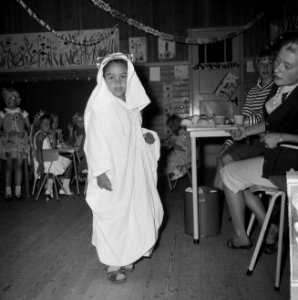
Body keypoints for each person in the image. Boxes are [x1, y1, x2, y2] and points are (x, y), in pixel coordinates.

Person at [84, 53, 164, 283]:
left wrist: (147, 137)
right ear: (103, 79)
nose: (118, 83)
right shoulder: (99, 108)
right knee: (113, 214)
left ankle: (126, 253)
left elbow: (131, 136)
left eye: (122, 77)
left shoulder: (131, 107)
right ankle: (112, 263)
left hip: (132, 170)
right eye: (111, 77)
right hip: (111, 171)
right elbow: (95, 141)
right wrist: (100, 172)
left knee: (133, 211)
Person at [220, 32, 298, 252]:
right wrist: (244, 132)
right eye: (277, 62)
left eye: (287, 66)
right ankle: (267, 228)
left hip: (290, 167)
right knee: (229, 169)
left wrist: (283, 137)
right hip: (275, 157)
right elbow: (269, 122)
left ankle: (241, 236)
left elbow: (278, 131)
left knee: (229, 173)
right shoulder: (278, 87)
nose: (277, 69)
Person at [213, 49, 275, 190]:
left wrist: (240, 124)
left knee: (226, 159)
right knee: (220, 156)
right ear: (256, 66)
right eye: (261, 63)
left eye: (269, 63)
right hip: (247, 137)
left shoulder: (275, 89)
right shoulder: (253, 91)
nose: (265, 67)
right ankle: (213, 198)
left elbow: (262, 117)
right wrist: (228, 143)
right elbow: (243, 119)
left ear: (275, 65)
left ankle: (220, 197)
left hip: (262, 139)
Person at [0, 87, 31, 200]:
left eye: (11, 97)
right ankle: (8, 192)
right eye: (6, 98)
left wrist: (24, 133)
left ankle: (17, 192)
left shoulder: (23, 113)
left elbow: (29, 128)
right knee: (8, 167)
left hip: (20, 143)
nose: (9, 100)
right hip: (7, 143)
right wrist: (6, 134)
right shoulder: (2, 113)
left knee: (19, 166)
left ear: (17, 99)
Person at [33, 114, 73, 199]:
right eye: (45, 124)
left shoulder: (44, 135)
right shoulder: (40, 135)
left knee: (55, 164)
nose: (48, 126)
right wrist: (41, 165)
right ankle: (65, 187)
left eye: (49, 124)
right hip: (43, 162)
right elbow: (39, 151)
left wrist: (54, 136)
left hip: (48, 162)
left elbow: (53, 148)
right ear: (40, 124)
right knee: (69, 162)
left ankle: (49, 188)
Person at [165, 114, 191, 181]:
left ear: (174, 126)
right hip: (179, 154)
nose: (170, 129)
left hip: (184, 156)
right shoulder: (181, 133)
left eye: (170, 127)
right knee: (167, 157)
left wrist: (173, 145)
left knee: (166, 161)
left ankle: (178, 173)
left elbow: (183, 148)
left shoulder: (183, 134)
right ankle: (178, 172)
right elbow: (179, 145)